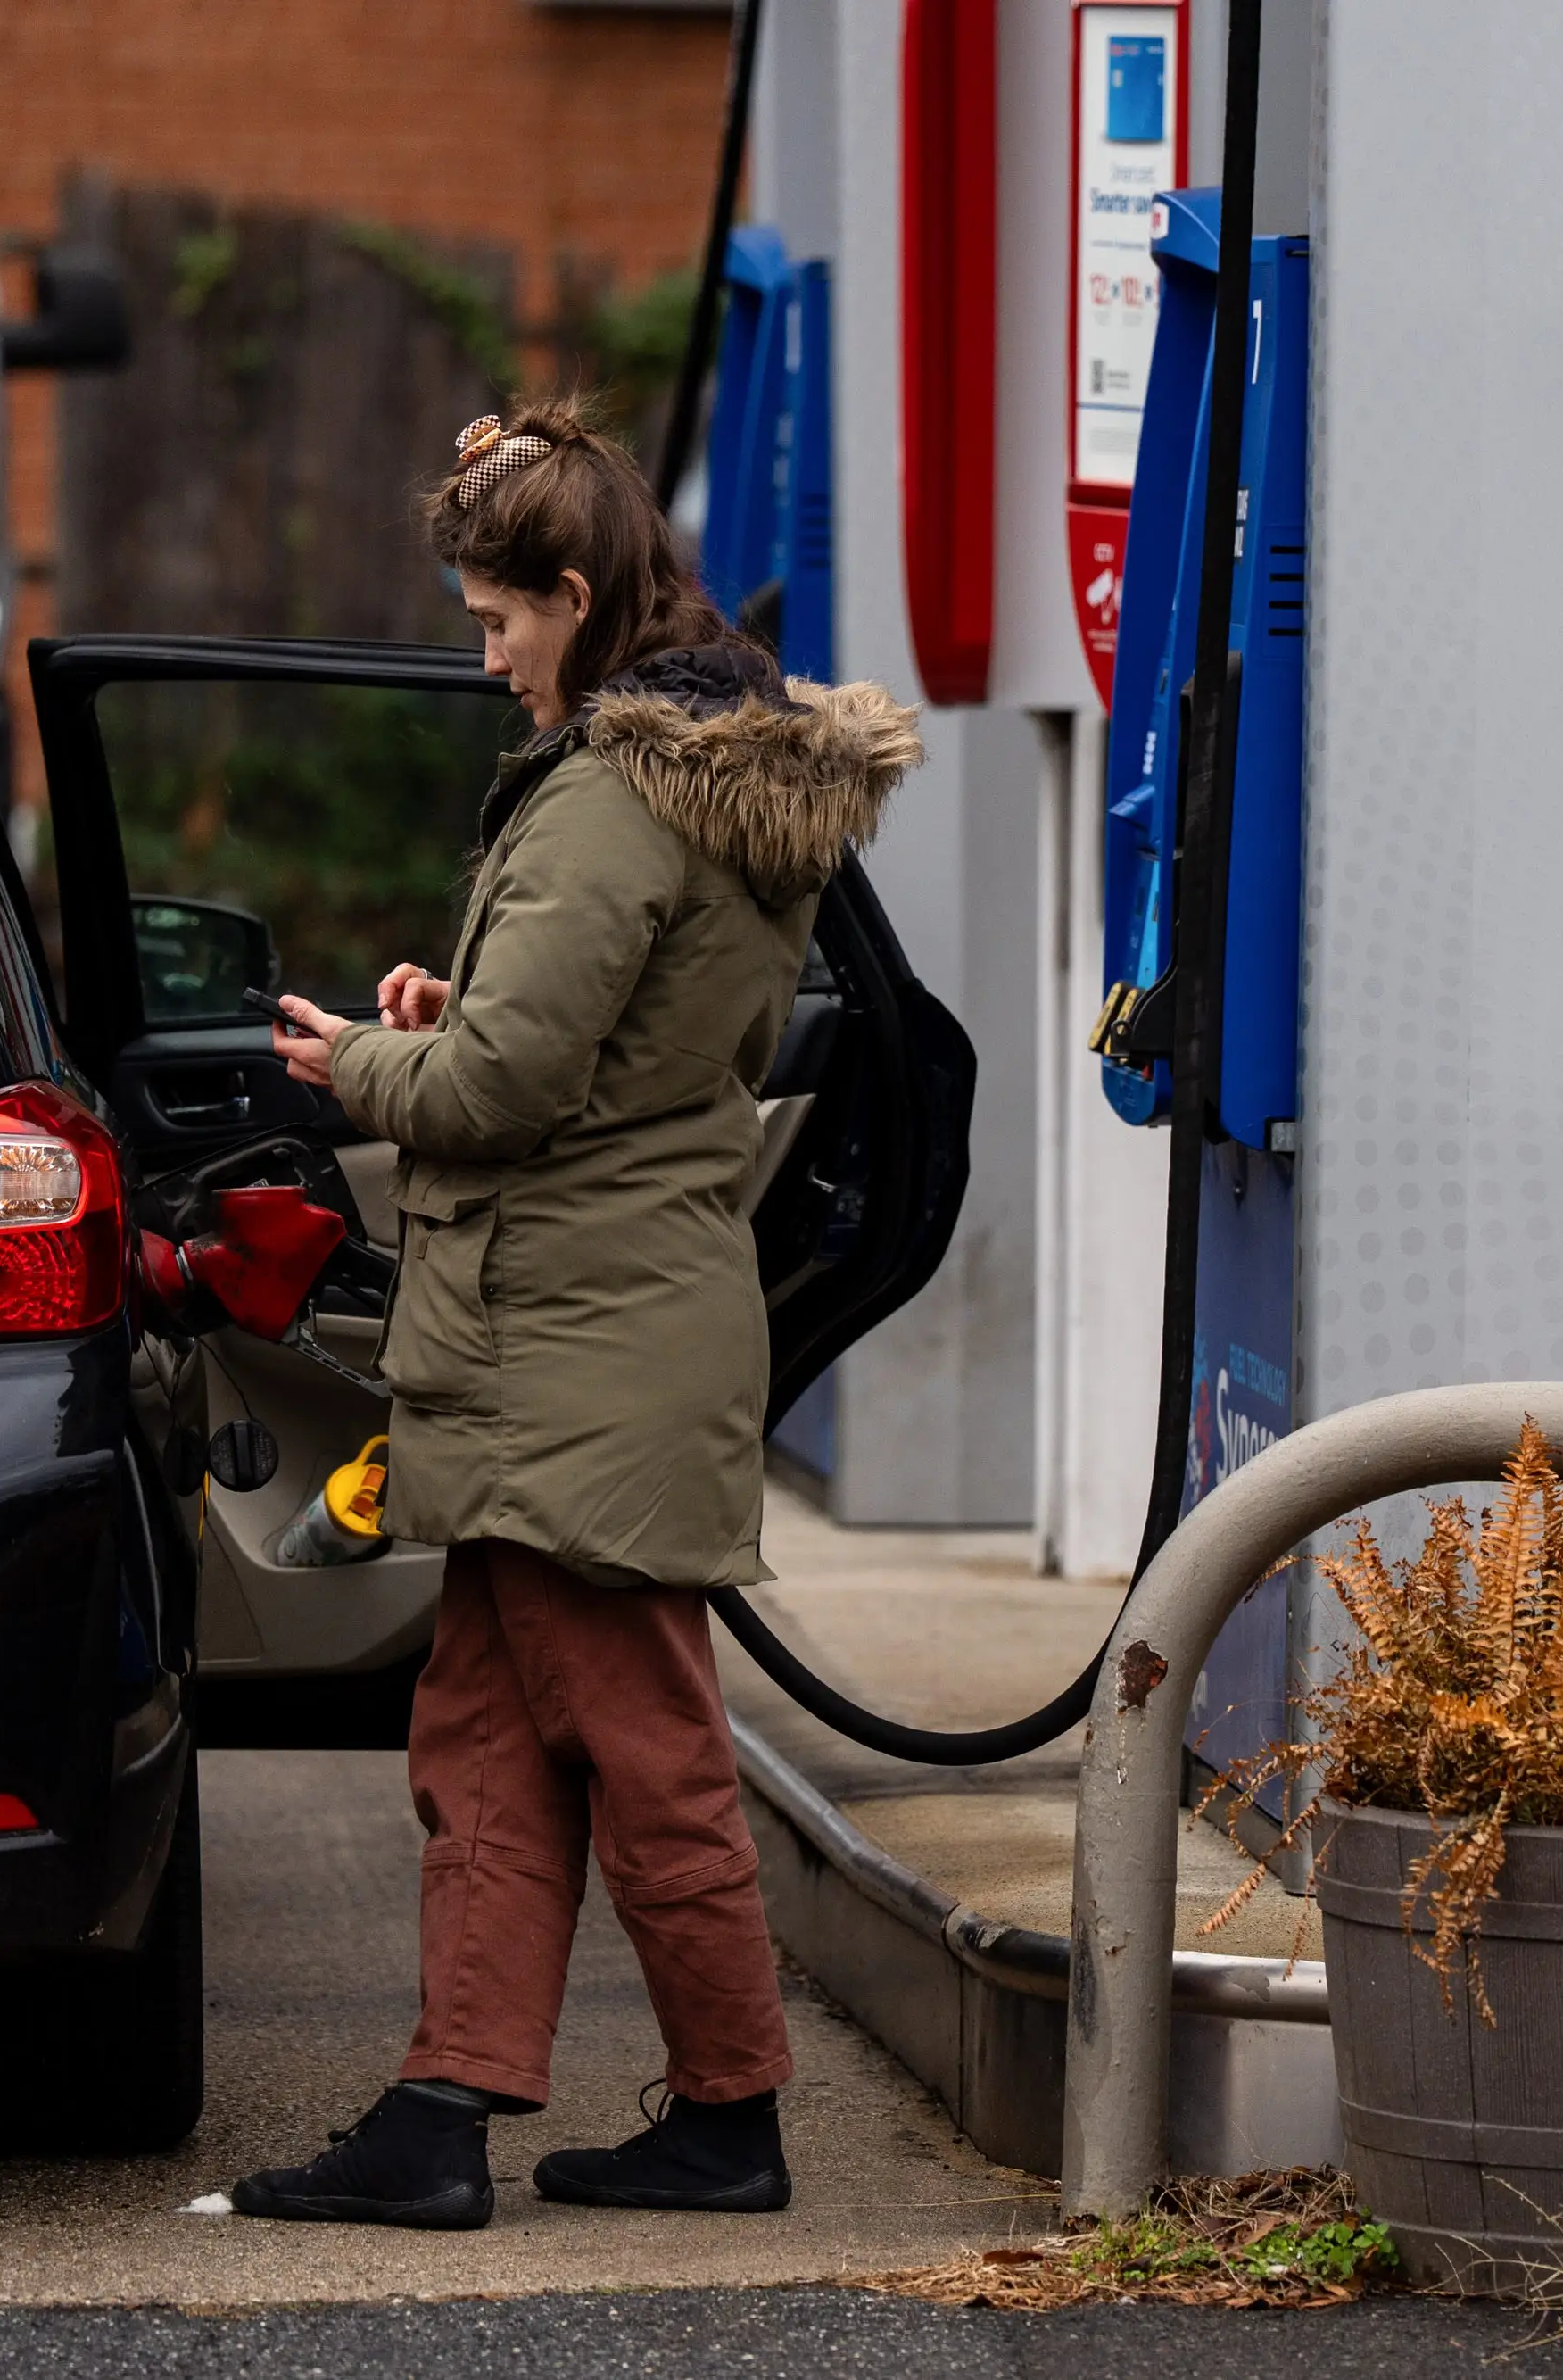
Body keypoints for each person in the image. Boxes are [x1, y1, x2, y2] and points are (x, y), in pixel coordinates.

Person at [227, 401, 919, 2229]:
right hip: (589, 1330)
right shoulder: (696, 789)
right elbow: (640, 1039)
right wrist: (464, 1006)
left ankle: (729, 2109)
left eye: (497, 619)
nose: (487, 657)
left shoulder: (608, 801)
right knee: (482, 1740)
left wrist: (357, 1057)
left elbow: (494, 1100)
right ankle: (445, 2108)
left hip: (574, 1350)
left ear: (573, 591)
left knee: (646, 1747)